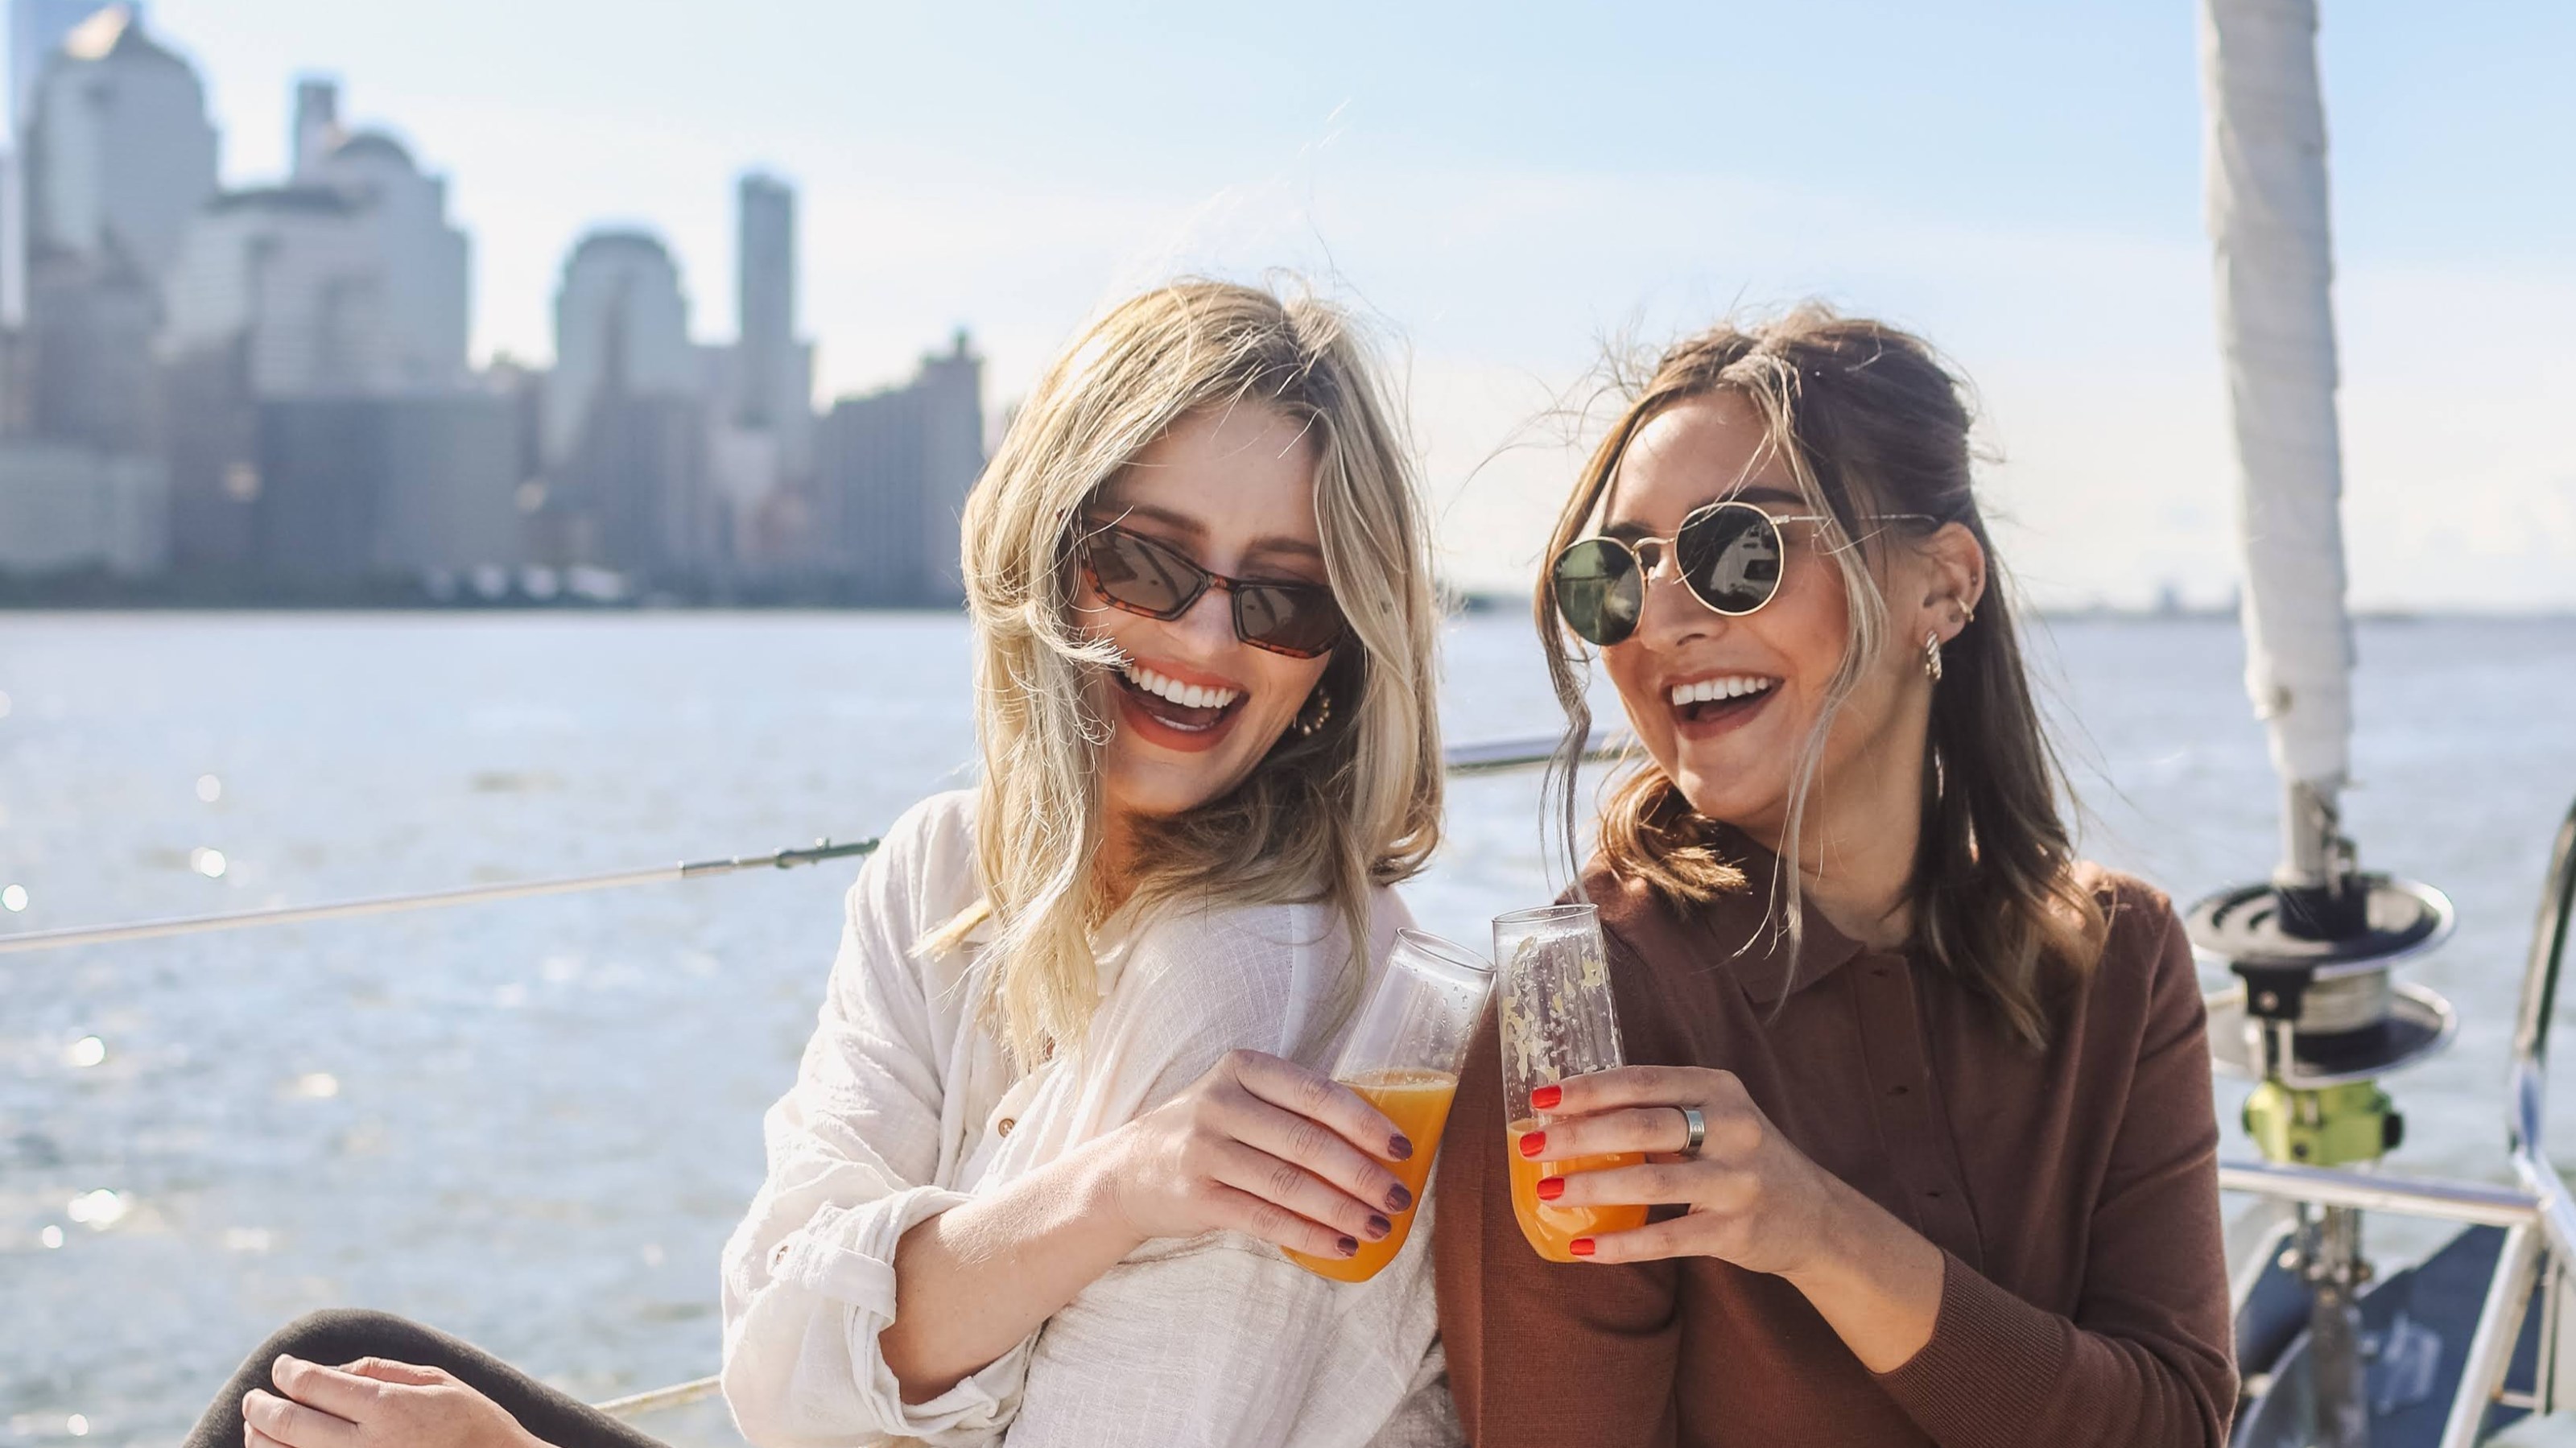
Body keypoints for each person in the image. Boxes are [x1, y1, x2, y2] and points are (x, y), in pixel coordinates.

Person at [184, 280, 1458, 1448]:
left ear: (1336, 657)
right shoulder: (942, 871)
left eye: (1283, 598)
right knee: (322, 1380)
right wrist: (1110, 1189)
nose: (1207, 635)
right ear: (1043, 552)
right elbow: (777, 1378)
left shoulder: (1273, 1003)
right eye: (1144, 561)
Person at [1431, 307, 2235, 1446]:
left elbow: (2179, 1424)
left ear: (1943, 586)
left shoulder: (2122, 956)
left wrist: (1820, 1232)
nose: (1662, 622)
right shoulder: (1586, 1017)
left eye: (1738, 552)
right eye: (1616, 577)